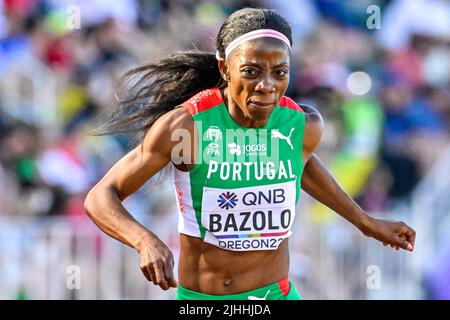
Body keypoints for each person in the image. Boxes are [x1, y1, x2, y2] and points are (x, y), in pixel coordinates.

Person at [84, 8, 416, 300]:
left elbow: (302, 165)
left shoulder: (303, 125)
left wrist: (365, 221)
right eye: (252, 71)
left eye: (280, 73)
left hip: (278, 294)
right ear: (225, 68)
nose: (267, 86)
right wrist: (144, 241)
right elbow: (101, 196)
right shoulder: (186, 126)